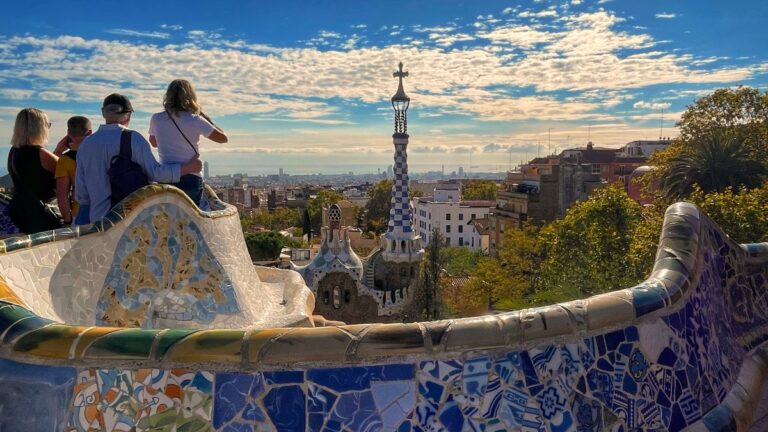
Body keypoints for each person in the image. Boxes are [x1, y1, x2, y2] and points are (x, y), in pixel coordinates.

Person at [75, 93, 202, 224]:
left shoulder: (86, 144)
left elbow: (81, 191)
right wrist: (190, 167)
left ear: (104, 114)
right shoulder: (133, 139)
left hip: (94, 221)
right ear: (128, 115)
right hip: (127, 221)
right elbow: (156, 174)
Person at [148, 79, 227, 205]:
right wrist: (205, 117)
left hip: (167, 176)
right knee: (190, 218)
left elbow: (153, 142)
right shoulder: (195, 119)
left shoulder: (156, 118)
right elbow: (223, 138)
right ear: (191, 96)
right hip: (191, 177)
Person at [6, 108, 62, 234]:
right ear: (39, 127)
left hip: (22, 213)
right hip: (44, 216)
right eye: (48, 124)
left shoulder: (14, 152)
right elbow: (67, 170)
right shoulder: (40, 153)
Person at [54, 116, 91, 225]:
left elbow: (62, 195)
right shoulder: (98, 153)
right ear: (89, 133)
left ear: (68, 133)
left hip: (78, 214)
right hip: (102, 210)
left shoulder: (65, 160)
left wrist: (67, 219)